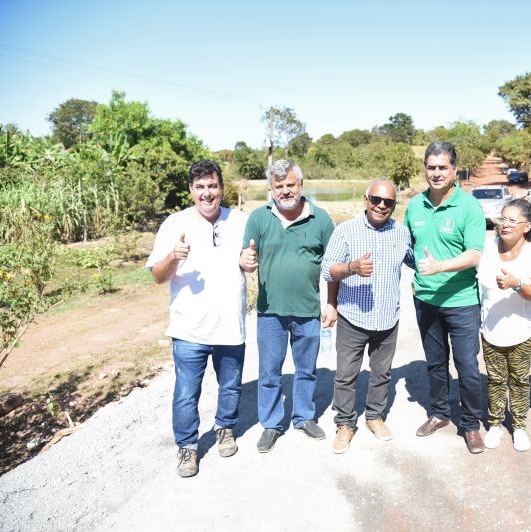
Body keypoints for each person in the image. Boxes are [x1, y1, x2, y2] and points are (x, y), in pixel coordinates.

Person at [145, 160, 248, 478]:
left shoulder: (240, 221)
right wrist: (173, 257)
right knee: (186, 393)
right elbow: (158, 276)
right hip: (189, 329)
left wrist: (248, 262)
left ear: (221, 188)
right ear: (190, 190)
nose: (207, 193)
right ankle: (188, 446)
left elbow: (248, 261)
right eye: (200, 187)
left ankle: (225, 428)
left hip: (230, 325)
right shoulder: (174, 224)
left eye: (212, 186)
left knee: (230, 386)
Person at [240, 159, 337, 453]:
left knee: (306, 369)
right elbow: (246, 258)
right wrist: (245, 261)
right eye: (279, 186)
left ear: (301, 184)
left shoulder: (321, 219)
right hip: (270, 312)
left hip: (308, 311)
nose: (285, 191)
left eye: (290, 184)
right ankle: (271, 424)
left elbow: (333, 267)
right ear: (271, 188)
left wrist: (331, 303)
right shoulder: (259, 218)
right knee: (270, 372)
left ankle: (304, 417)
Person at [404, 141, 487, 454]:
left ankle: (471, 424)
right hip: (426, 300)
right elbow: (408, 247)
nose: (436, 173)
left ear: (454, 170)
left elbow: (474, 254)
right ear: (424, 169)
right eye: (431, 167)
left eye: (442, 167)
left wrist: (439, 266)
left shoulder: (469, 207)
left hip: (461, 300)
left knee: (467, 367)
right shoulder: (415, 206)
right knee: (435, 364)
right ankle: (439, 413)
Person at [320, 180, 414, 454]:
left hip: (387, 318)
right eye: (376, 199)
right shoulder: (346, 231)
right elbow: (327, 270)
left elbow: (415, 261)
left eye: (388, 202)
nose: (381, 206)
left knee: (382, 373)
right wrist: (352, 267)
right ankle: (345, 424)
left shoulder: (402, 233)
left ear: (394, 206)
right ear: (366, 199)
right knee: (346, 375)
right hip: (353, 317)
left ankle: (374, 416)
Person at [478, 198, 531, 452]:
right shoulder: (487, 247)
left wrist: (516, 284)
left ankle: (519, 426)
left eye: (512, 220)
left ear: (527, 226)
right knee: (495, 380)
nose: (505, 224)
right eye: (502, 219)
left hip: (522, 331)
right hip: (490, 329)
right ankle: (495, 424)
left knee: (520, 380)